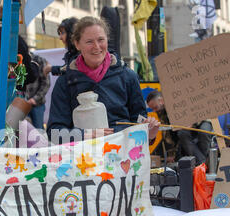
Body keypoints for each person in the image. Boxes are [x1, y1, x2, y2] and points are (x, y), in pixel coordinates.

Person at [47, 16, 159, 144]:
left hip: (123, 157)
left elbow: (139, 121)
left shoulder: (128, 76)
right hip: (83, 159)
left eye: (101, 40)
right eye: (89, 42)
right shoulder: (65, 81)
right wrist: (87, 135)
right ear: (77, 44)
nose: (96, 46)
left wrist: (149, 133)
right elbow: (54, 133)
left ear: (107, 40)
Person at [0, 0, 38, 117]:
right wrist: (35, 67)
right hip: (11, 94)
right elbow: (26, 75)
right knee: (12, 134)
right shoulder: (15, 39)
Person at [146, 90, 178, 163]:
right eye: (152, 109)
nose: (154, 111)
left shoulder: (173, 109)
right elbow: (166, 136)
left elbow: (169, 136)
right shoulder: (160, 113)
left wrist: (172, 154)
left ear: (161, 100)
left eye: (155, 107)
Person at [25, 53, 51, 129]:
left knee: (38, 131)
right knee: (22, 132)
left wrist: (34, 99)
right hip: (21, 104)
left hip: (37, 104)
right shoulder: (16, 61)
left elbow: (46, 83)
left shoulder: (39, 60)